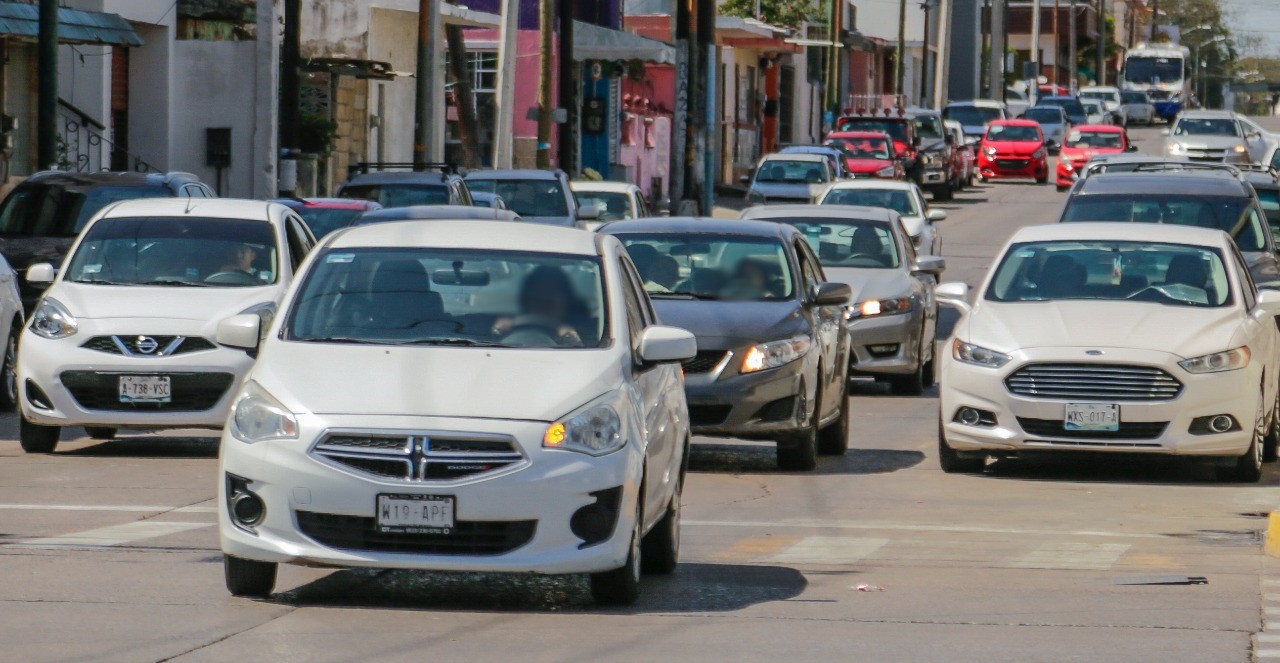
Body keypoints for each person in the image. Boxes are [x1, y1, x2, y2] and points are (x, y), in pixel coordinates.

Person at [493, 266, 592, 347]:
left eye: (551, 298)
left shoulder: (575, 335)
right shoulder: (502, 328)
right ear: (525, 299)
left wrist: (571, 341)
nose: (544, 303)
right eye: (537, 297)